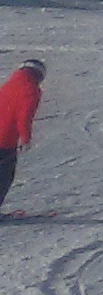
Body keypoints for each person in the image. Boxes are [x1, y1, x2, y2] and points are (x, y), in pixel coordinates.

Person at [0, 60, 40, 213]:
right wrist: (25, 138)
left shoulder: (8, 85)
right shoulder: (31, 90)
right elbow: (24, 117)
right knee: (4, 176)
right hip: (5, 141)